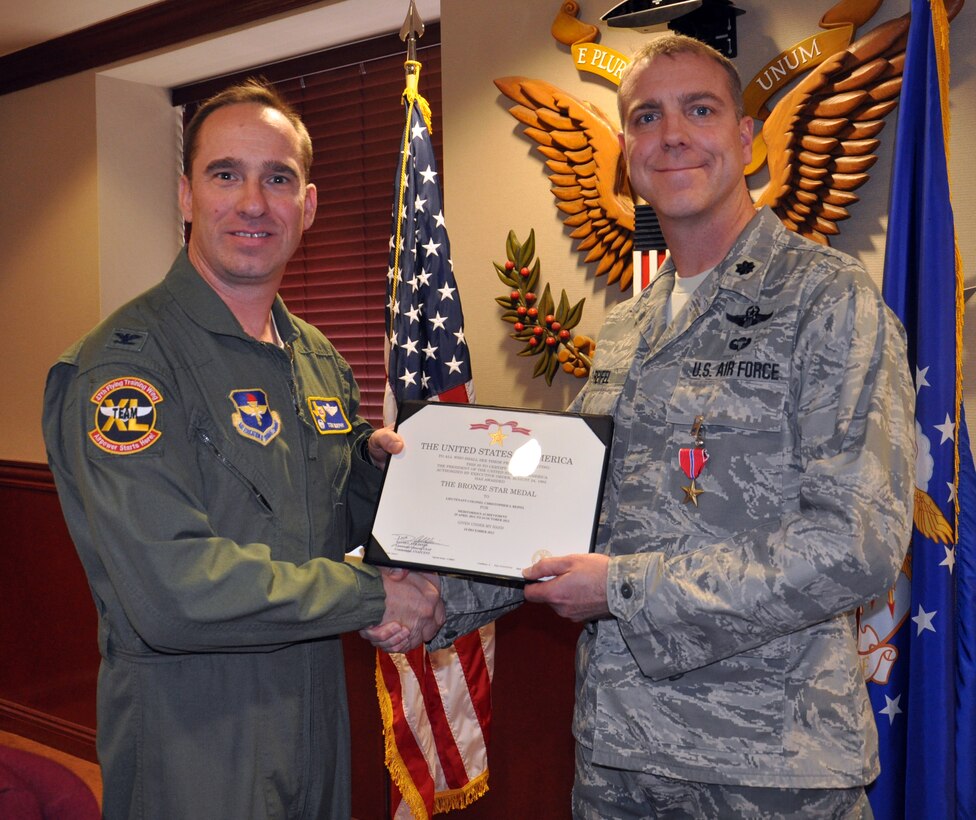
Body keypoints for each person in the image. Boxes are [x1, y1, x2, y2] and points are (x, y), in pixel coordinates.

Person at [373, 34, 916, 818]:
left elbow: (858, 544)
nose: (672, 135)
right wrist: (427, 581)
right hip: (619, 759)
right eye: (647, 117)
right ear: (627, 152)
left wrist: (621, 587)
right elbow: (566, 517)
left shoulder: (828, 301)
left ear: (746, 137)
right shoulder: (627, 328)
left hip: (770, 769)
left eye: (700, 109)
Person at [42, 79, 442, 819]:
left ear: (307, 205)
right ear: (186, 196)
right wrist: (370, 596)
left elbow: (310, 523)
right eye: (225, 174)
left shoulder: (318, 356)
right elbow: (173, 590)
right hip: (195, 733)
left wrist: (377, 475)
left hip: (316, 713)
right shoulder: (126, 369)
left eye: (278, 179)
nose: (253, 203)